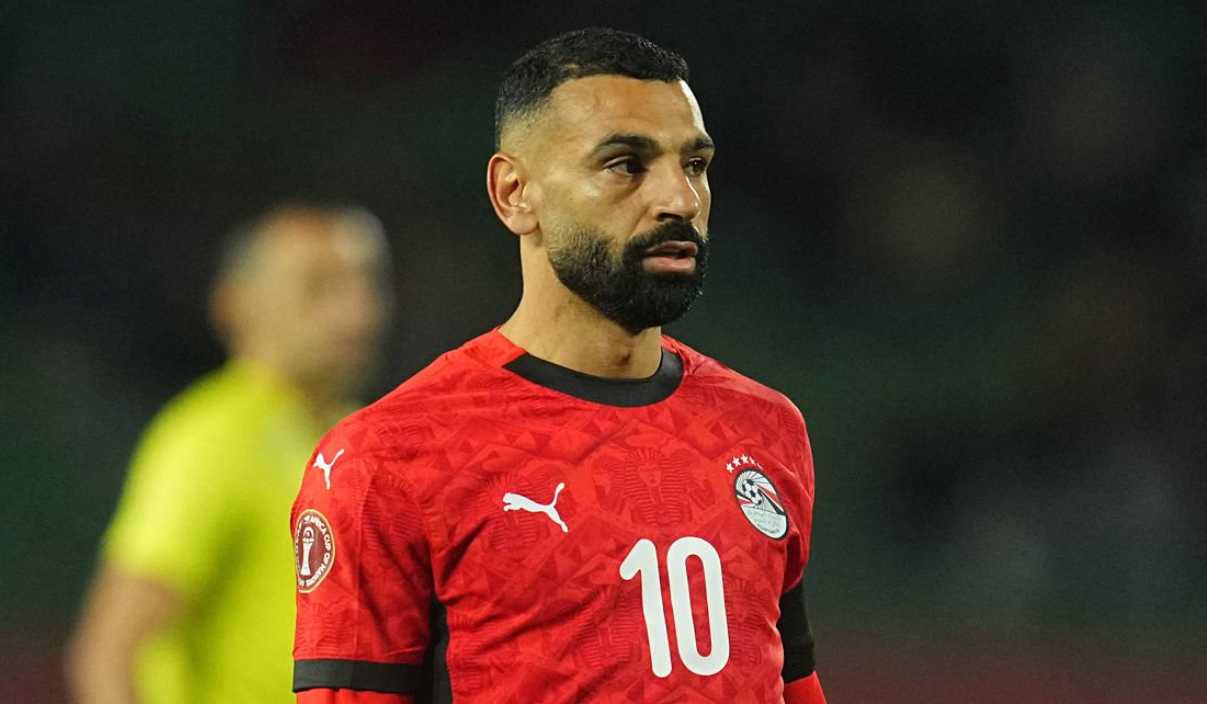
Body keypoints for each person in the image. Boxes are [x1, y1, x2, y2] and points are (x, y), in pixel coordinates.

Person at [291, 28, 827, 704]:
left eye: (694, 165)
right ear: (515, 193)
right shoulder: (388, 458)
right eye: (625, 165)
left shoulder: (764, 427)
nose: (681, 200)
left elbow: (791, 682)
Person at [65, 204, 393, 704]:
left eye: (367, 285)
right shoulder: (212, 439)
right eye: (318, 287)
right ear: (237, 305)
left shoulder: (370, 438)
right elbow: (108, 652)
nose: (358, 314)